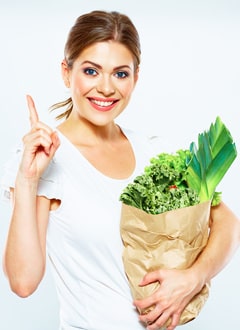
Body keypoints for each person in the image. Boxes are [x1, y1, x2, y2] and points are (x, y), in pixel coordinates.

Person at [1, 10, 240, 330]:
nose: (106, 88)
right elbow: (23, 282)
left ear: (135, 78)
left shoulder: (154, 150)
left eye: (120, 73)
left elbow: (225, 220)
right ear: (66, 72)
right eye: (91, 70)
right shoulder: (44, 158)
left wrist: (194, 277)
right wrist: (28, 180)